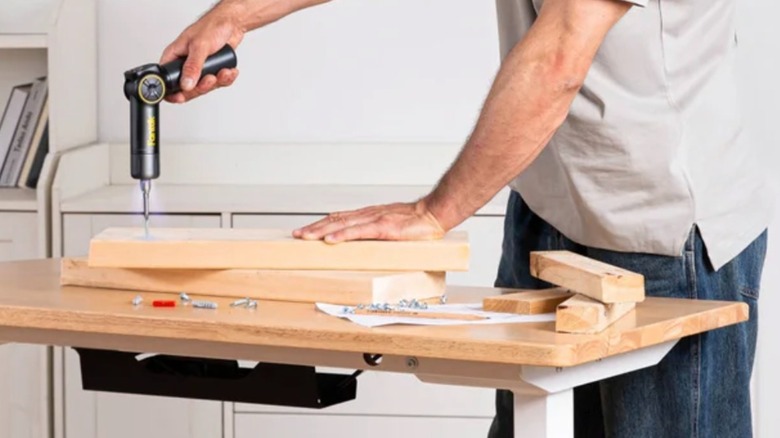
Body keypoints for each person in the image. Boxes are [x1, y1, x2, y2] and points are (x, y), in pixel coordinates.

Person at [160, 0, 772, 436]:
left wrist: (434, 213)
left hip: (664, 234)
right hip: (549, 213)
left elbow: (559, 58)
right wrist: (238, 13)